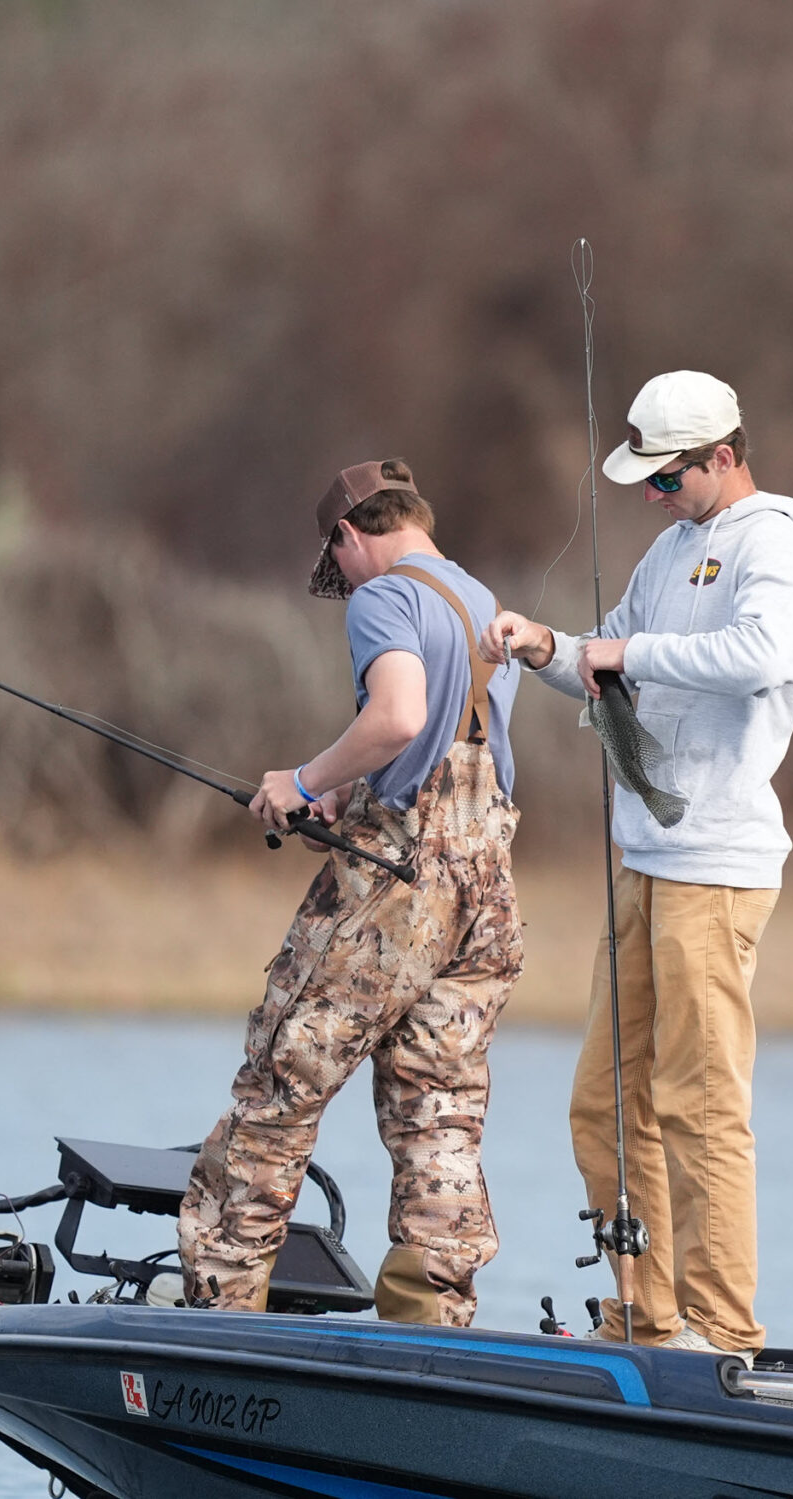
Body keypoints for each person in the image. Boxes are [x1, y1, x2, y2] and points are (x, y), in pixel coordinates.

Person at [481, 372, 793, 1359]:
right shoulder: (672, 548)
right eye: (645, 481)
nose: (654, 496)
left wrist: (628, 655)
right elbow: (604, 657)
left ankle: (721, 1332)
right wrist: (545, 646)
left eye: (667, 478)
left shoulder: (771, 541)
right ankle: (646, 1315)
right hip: (643, 862)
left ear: (722, 456)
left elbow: (762, 655)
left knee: (699, 1103)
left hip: (714, 867)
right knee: (604, 1103)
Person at [178, 459, 523, 1326]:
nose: (346, 578)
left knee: (280, 1079)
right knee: (439, 1107)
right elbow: (449, 746)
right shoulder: (482, 601)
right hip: (486, 892)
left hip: (395, 892)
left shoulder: (383, 597)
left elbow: (401, 715)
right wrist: (347, 791)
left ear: (348, 534)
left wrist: (303, 780)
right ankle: (431, 1319)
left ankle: (219, 1304)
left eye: (338, 557)